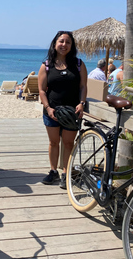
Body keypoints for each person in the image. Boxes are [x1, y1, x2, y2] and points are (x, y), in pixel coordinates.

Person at [38, 31, 87, 189]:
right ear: (55, 44)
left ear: (72, 46)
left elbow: (83, 86)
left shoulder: (78, 64)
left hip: (72, 112)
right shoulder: (46, 65)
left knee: (68, 143)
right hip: (51, 110)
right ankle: (53, 171)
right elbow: (42, 90)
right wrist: (48, 107)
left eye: (68, 42)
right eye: (61, 41)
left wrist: (82, 103)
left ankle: (66, 173)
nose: (64, 45)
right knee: (53, 142)